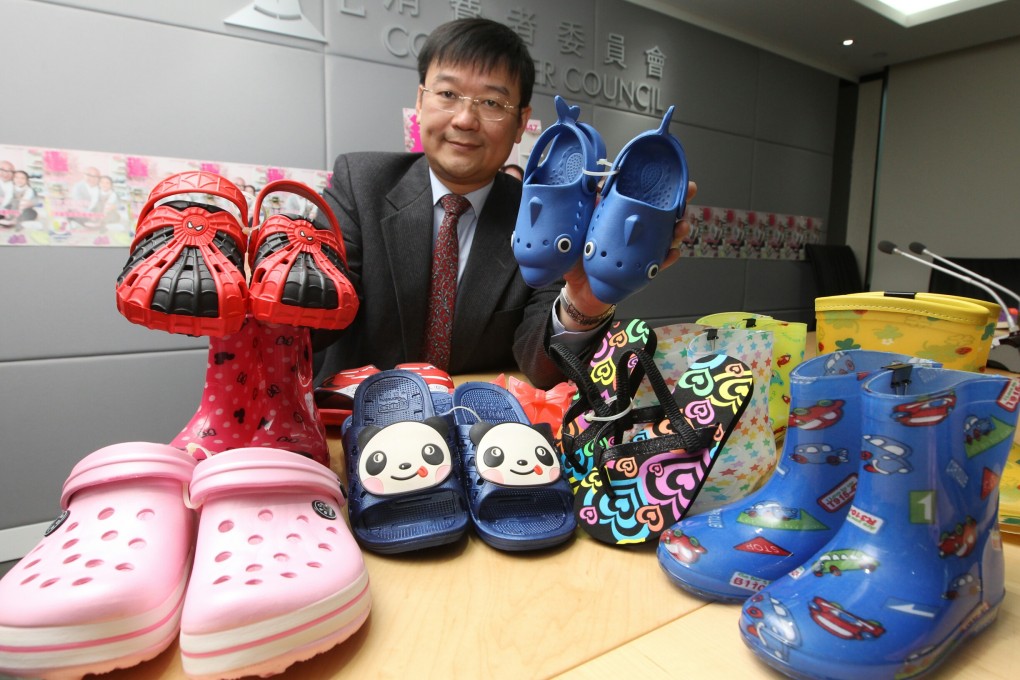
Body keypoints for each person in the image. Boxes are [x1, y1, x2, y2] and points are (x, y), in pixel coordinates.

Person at [313, 18, 691, 389]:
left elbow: (543, 370)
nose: (464, 119)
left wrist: (583, 301)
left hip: (482, 435)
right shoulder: (359, 182)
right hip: (356, 426)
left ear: (520, 123)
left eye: (492, 102)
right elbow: (314, 324)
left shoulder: (546, 219)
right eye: (447, 95)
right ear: (420, 100)